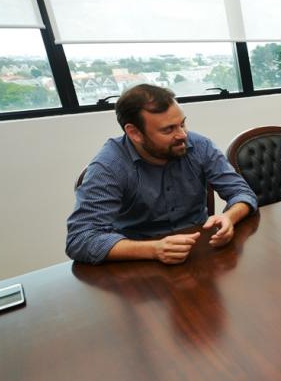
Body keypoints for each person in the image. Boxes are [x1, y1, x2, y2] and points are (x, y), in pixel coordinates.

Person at [67, 84, 258, 265]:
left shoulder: (199, 146)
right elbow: (81, 238)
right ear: (134, 133)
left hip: (199, 251)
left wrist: (230, 217)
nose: (182, 135)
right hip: (138, 264)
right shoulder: (109, 166)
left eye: (182, 124)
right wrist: (153, 249)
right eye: (168, 129)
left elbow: (242, 192)